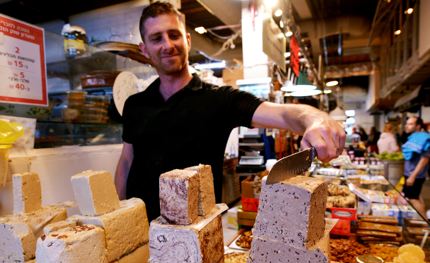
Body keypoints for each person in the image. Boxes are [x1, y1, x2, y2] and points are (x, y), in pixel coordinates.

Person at [114, 2, 346, 221]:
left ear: (187, 40)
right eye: (157, 38)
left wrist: (315, 119)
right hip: (141, 231)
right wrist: (118, 217)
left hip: (196, 237)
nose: (167, 44)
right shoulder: (135, 105)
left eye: (174, 35)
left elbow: (284, 114)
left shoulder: (219, 100)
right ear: (144, 50)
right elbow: (127, 162)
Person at [401, 116, 430, 217]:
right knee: (416, 197)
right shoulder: (414, 137)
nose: (407, 126)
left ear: (418, 126)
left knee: (412, 199)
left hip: (415, 175)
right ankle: (423, 222)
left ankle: (426, 224)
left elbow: (425, 159)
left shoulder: (424, 138)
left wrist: (413, 176)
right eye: (407, 123)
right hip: (410, 173)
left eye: (410, 124)